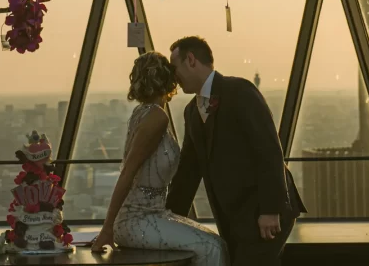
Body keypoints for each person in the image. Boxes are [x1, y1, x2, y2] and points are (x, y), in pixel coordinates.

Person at [166, 36, 305, 266]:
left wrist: (270, 210)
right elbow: (189, 172)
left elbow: (268, 149)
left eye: (175, 67)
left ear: (191, 60)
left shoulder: (239, 91)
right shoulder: (191, 112)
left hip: (264, 212)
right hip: (234, 218)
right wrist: (169, 217)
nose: (174, 76)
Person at [91, 51, 228, 266]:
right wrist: (107, 229)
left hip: (151, 214)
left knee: (213, 242)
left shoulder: (142, 112)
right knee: (213, 246)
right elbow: (128, 172)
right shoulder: (156, 116)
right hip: (137, 220)